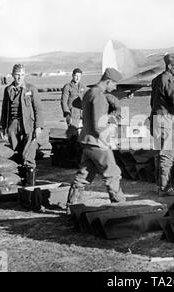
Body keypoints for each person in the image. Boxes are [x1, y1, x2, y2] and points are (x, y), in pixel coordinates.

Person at [66, 68, 126, 210]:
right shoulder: (98, 96)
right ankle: (120, 207)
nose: (115, 87)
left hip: (87, 142)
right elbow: (99, 124)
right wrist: (109, 139)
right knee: (113, 174)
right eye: (114, 84)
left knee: (83, 176)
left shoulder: (89, 93)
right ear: (108, 81)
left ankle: (72, 206)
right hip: (98, 143)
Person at [0, 64, 44, 183]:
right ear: (13, 75)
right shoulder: (8, 90)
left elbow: (38, 109)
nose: (19, 77)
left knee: (28, 154)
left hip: (28, 124)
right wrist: (2, 126)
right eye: (17, 75)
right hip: (13, 126)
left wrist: (38, 126)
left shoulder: (31, 89)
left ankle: (30, 183)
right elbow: (4, 109)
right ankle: (19, 181)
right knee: (16, 152)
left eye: (22, 75)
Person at [150, 54, 174, 196]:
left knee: (159, 154)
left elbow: (152, 101)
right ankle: (165, 188)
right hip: (165, 120)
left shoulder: (157, 79)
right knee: (168, 154)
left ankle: (160, 186)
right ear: (170, 67)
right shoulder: (168, 80)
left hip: (156, 118)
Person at [61, 68, 86, 163]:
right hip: (72, 116)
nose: (77, 78)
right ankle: (72, 158)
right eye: (76, 76)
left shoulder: (83, 87)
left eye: (79, 76)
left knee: (82, 137)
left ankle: (81, 158)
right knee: (73, 137)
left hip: (82, 116)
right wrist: (67, 114)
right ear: (72, 75)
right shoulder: (67, 87)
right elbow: (63, 101)